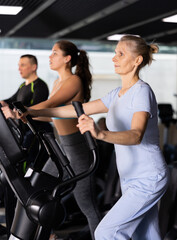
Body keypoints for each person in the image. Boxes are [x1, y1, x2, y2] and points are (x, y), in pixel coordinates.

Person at [17, 35, 170, 240]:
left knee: (106, 232)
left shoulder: (142, 91)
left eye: (121, 54)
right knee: (147, 236)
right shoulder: (116, 94)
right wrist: (31, 112)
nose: (114, 58)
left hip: (148, 178)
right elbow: (72, 110)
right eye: (115, 53)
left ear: (137, 61)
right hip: (130, 178)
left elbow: (136, 135)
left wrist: (99, 133)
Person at [2, 40, 101, 240]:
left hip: (78, 151)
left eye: (55, 53)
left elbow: (50, 104)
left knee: (87, 205)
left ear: (67, 59)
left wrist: (29, 110)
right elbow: (53, 115)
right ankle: (50, 235)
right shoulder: (57, 82)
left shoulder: (73, 81)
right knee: (37, 189)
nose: (50, 56)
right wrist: (19, 115)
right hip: (62, 150)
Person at [0, 54, 52, 237]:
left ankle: (20, 229)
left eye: (23, 65)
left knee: (20, 183)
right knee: (9, 184)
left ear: (33, 67)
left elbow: (36, 113)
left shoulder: (39, 86)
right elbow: (10, 101)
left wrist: (14, 114)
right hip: (22, 138)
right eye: (18, 65)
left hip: (33, 140)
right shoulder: (23, 86)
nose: (19, 68)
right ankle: (10, 229)